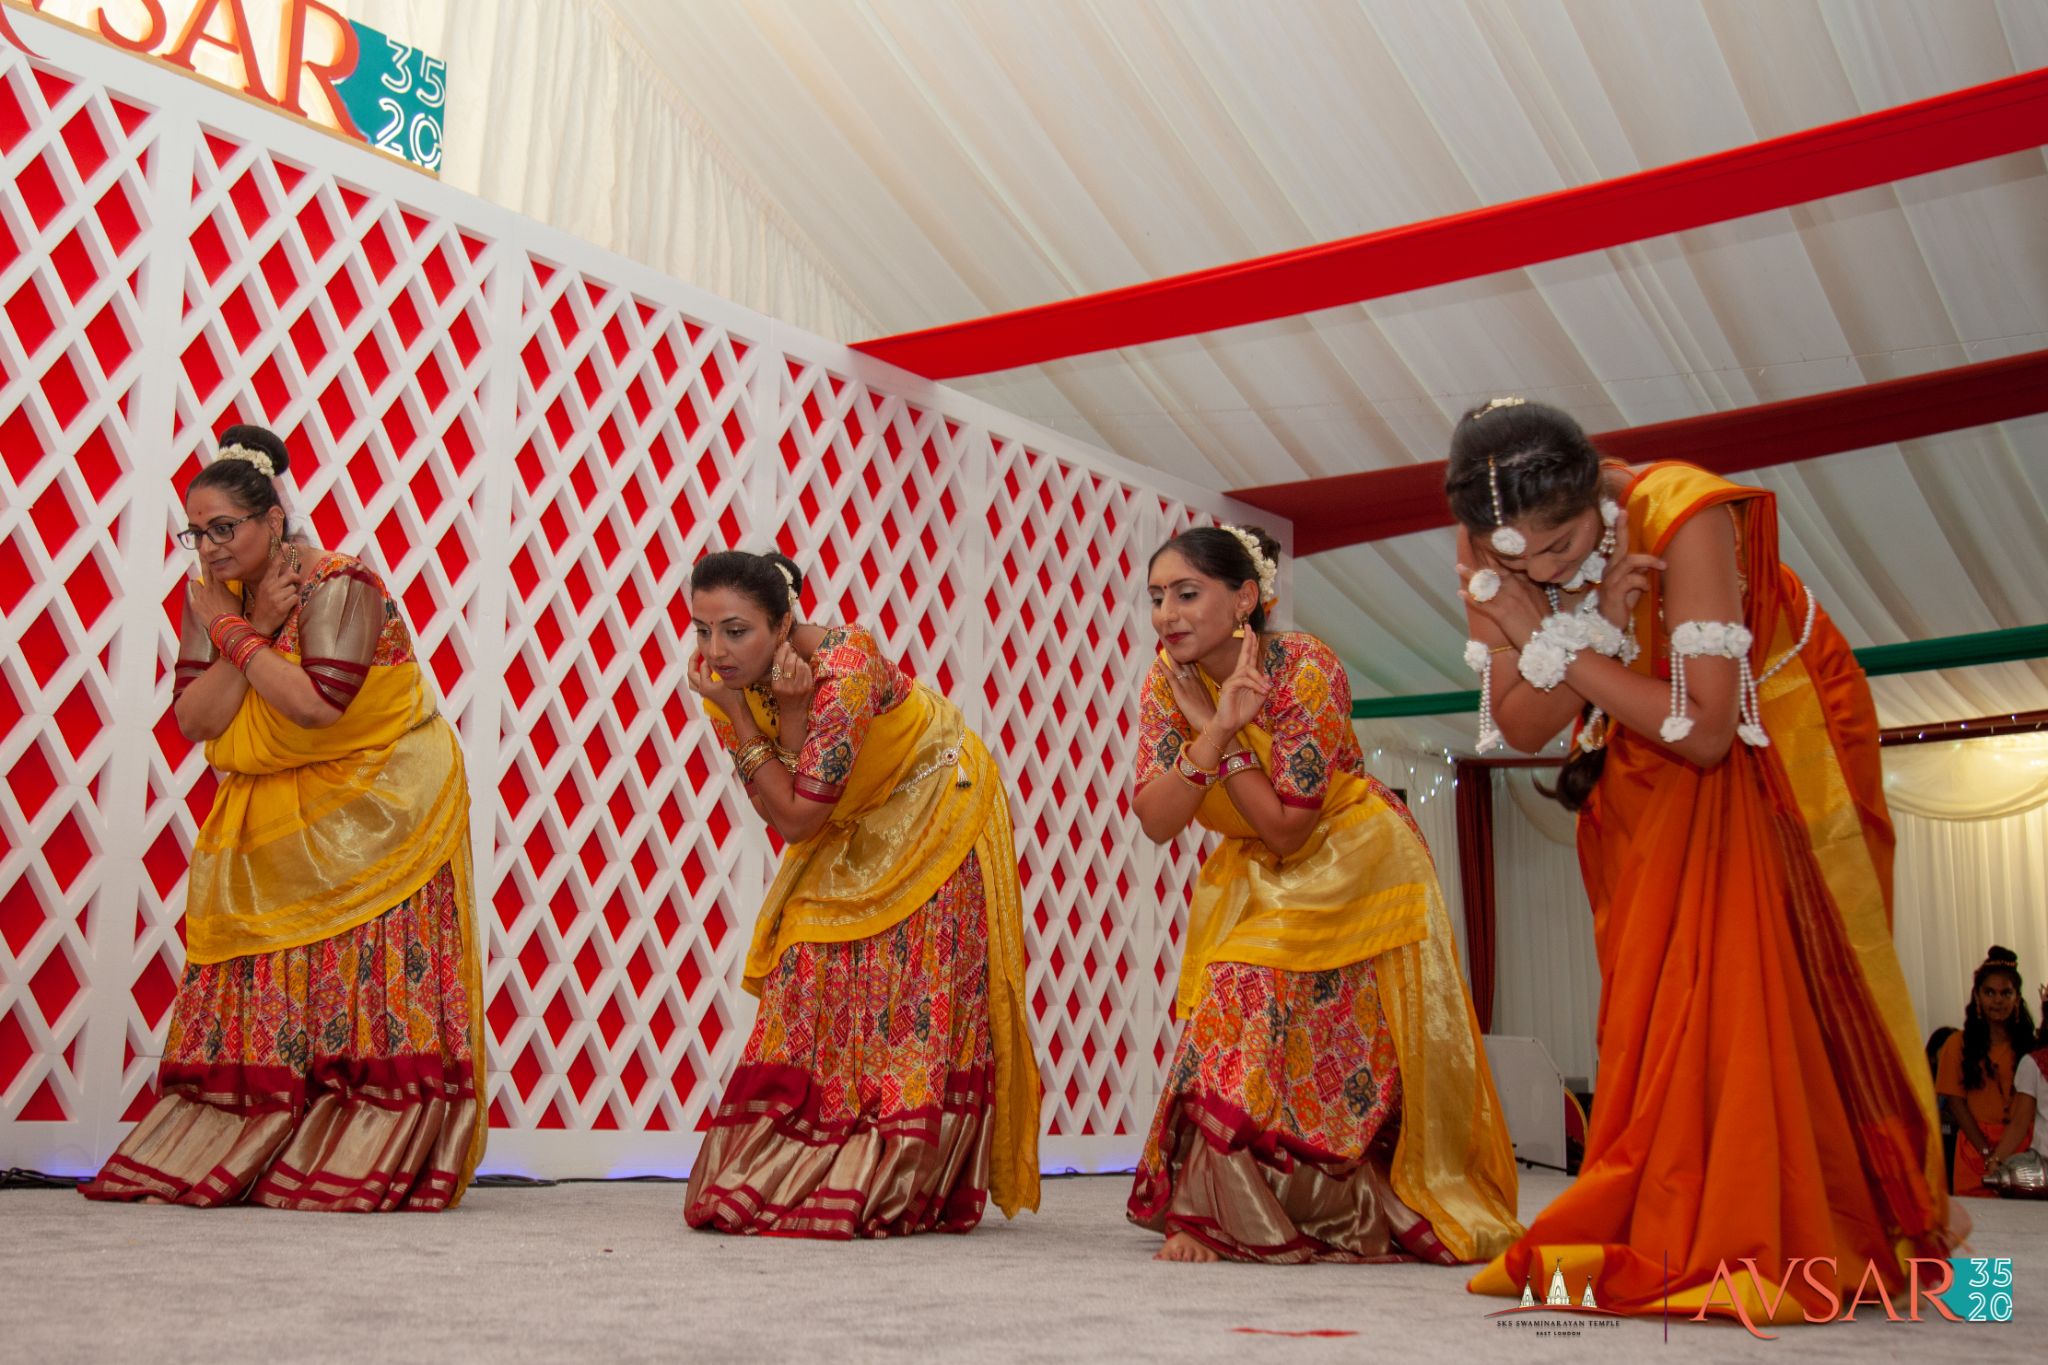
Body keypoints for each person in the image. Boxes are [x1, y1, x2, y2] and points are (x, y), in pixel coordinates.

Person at [1446, 398, 1956, 1321]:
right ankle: (1671, 1198)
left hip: (1774, 745)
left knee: (1754, 977)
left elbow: (1710, 728)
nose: (1541, 567)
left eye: (1561, 545)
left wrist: (1552, 636)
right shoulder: (1492, 545)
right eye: (1517, 558)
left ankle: (1796, 1215)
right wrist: (1575, 628)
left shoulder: (1683, 513)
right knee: (1652, 990)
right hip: (1638, 751)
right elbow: (1519, 723)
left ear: (1591, 486)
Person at [82, 425, 485, 1210]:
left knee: (365, 973)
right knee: (268, 969)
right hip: (278, 805)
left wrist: (233, 630)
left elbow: (313, 705)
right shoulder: (215, 593)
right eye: (195, 532)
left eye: (224, 527)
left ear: (274, 520)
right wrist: (251, 626)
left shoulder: (340, 584)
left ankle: (365, 1146)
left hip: (381, 803)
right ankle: (257, 1140)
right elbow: (196, 720)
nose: (208, 546)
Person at [1127, 524, 1520, 1264]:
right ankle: (1224, 1204)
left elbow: (1287, 829)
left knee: (1329, 1044)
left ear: (1246, 597)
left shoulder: (1305, 667)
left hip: (1350, 859)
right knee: (1237, 999)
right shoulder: (1168, 679)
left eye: (1186, 593)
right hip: (1259, 871)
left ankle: (1298, 1202)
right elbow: (1155, 817)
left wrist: (1218, 728)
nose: (1167, 615)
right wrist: (1211, 734)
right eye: (1156, 599)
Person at [681, 550, 1039, 1236]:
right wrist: (766, 710)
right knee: (807, 962)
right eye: (702, 630)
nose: (715, 651)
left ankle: (898, 1169)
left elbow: (795, 817)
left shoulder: (845, 668)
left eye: (735, 630)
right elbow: (785, 798)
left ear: (783, 624)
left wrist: (740, 714)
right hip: (848, 812)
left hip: (936, 798)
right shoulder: (740, 679)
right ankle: (790, 1158)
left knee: (907, 984)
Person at [1936, 948, 2039, 1196]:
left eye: (2006, 993)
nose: (1998, 1000)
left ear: (2017, 999)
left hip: (2023, 1148)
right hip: (1973, 1148)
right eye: (1989, 992)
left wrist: (2003, 1154)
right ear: (1978, 997)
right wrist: (1986, 1152)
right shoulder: (1956, 1044)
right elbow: (1956, 1104)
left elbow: (2027, 1112)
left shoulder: (2031, 1048)